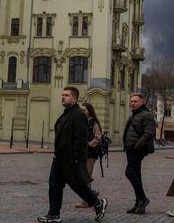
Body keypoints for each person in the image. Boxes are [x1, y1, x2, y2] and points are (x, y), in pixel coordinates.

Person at [38, 87, 108, 223]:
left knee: (78, 186)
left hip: (70, 160)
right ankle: (54, 215)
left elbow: (80, 140)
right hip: (59, 159)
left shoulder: (78, 115)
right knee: (54, 185)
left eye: (67, 95)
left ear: (75, 98)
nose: (63, 97)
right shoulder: (66, 114)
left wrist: (76, 160)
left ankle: (98, 203)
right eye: (62, 95)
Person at [123, 93, 156, 214]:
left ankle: (143, 198)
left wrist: (137, 146)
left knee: (129, 172)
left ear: (142, 102)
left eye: (135, 101)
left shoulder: (147, 115)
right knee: (136, 174)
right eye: (131, 101)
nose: (132, 103)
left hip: (137, 150)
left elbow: (148, 133)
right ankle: (139, 203)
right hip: (130, 149)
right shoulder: (133, 115)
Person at [74, 102, 102, 208]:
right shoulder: (82, 122)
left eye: (84, 110)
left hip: (91, 154)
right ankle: (91, 194)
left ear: (89, 112)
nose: (82, 112)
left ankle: (88, 200)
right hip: (82, 154)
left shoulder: (93, 123)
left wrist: (88, 145)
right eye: (81, 110)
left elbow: (98, 138)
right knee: (83, 176)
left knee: (86, 176)